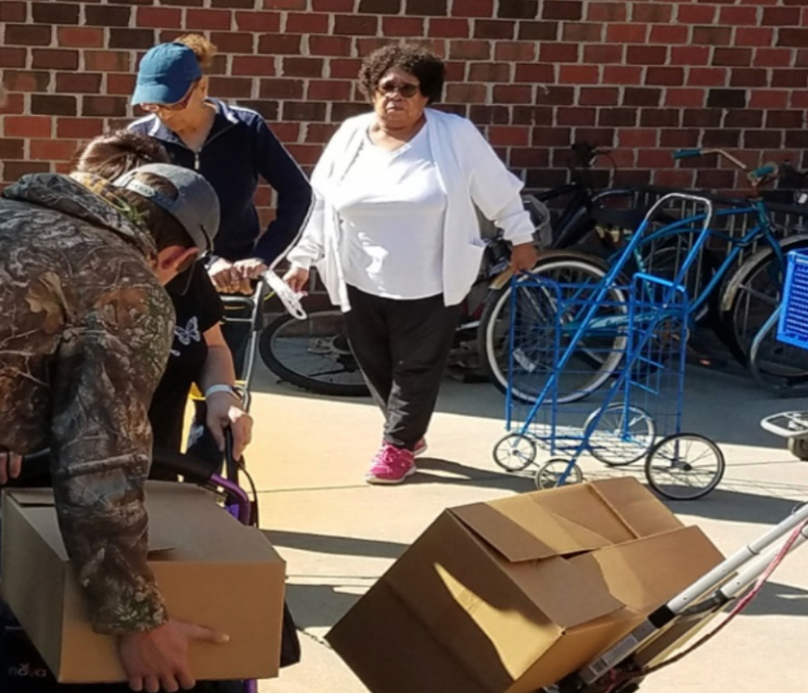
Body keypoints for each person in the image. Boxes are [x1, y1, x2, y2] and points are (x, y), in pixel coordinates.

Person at [0, 159, 226, 692]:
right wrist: (138, 621)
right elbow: (98, 463)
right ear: (178, 256)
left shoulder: (14, 213)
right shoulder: (122, 283)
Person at [282, 43, 538, 484]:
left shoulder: (453, 134)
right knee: (375, 363)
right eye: (386, 87)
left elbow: (497, 190)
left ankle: (398, 445)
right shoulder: (349, 136)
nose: (395, 97)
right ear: (370, 90)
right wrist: (302, 259)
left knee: (416, 367)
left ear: (427, 96)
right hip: (359, 275)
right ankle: (406, 430)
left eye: (408, 89)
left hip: (431, 279)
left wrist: (521, 236)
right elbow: (318, 204)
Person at [129, 34, 313, 375]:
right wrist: (206, 261)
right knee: (159, 398)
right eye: (152, 105)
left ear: (202, 87)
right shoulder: (139, 138)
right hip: (166, 281)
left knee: (221, 393)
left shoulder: (246, 128)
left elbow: (299, 194)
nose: (164, 115)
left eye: (173, 103)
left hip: (235, 288)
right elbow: (135, 218)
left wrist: (262, 257)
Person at [72, 130, 252, 465]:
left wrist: (220, 394)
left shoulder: (186, 273)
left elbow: (212, 344)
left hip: (155, 471)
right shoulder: (40, 272)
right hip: (38, 481)